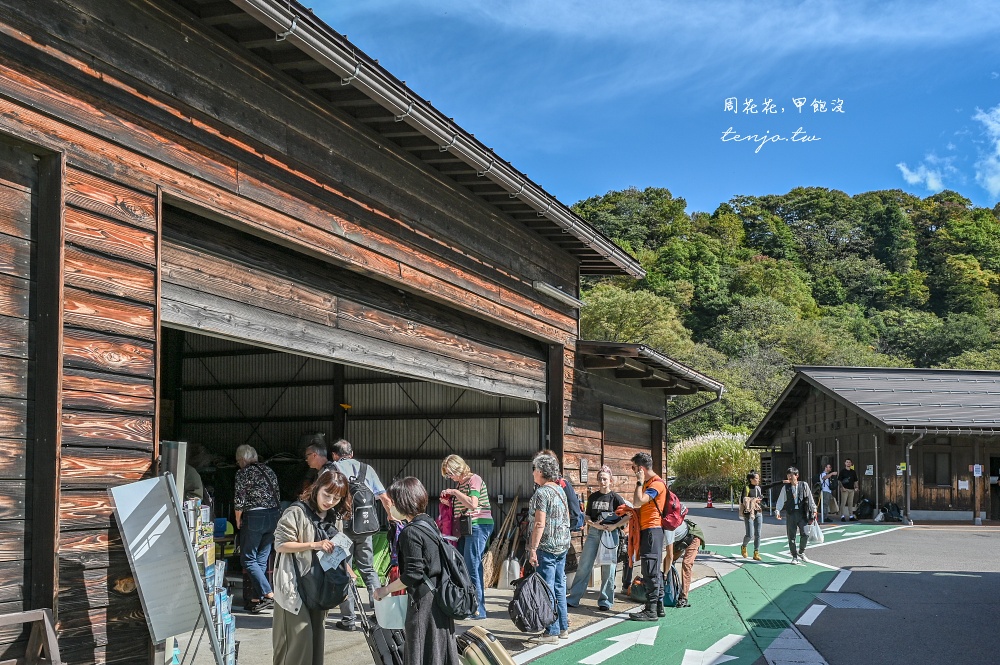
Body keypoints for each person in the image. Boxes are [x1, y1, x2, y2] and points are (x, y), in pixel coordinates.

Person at [373, 478, 461, 665]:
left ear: (404, 503)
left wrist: (385, 590)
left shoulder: (410, 532)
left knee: (419, 649)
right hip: (439, 597)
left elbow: (413, 573)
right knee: (438, 649)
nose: (391, 507)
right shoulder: (429, 524)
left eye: (394, 502)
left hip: (423, 602)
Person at [272, 469, 352, 665]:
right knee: (299, 639)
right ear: (317, 487)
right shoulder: (296, 512)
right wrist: (313, 545)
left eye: (336, 498)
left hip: (319, 587)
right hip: (293, 585)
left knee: (316, 641)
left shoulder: (332, 516)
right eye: (327, 494)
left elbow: (336, 549)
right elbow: (280, 544)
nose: (330, 501)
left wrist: (347, 570)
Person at [329, 438, 392, 631]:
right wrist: (391, 517)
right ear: (352, 453)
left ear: (334, 455)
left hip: (342, 528)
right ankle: (380, 614)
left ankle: (349, 619)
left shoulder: (332, 469)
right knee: (368, 568)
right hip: (364, 528)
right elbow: (384, 497)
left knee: (344, 570)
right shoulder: (367, 469)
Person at [567, 466, 629, 611]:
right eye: (600, 479)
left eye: (605, 479)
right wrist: (591, 523)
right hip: (595, 532)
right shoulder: (593, 497)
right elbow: (587, 515)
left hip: (610, 533)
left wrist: (615, 526)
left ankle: (605, 601)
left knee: (608, 567)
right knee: (584, 564)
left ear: (610, 481)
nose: (602, 481)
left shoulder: (615, 498)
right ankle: (574, 598)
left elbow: (628, 516)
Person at [440, 454, 494, 619]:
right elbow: (463, 505)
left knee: (471, 567)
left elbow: (473, 503)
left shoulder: (474, 480)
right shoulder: (460, 483)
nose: (450, 478)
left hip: (478, 526)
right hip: (466, 529)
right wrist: (448, 502)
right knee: (467, 567)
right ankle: (473, 606)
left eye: (450, 474)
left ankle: (477, 609)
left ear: (458, 469)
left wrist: (455, 492)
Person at [526, 453, 571, 644]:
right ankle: (563, 627)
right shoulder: (560, 490)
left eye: (535, 469)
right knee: (559, 586)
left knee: (547, 587)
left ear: (542, 471)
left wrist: (533, 548)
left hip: (547, 546)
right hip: (562, 544)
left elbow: (539, 523)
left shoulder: (542, 493)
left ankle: (551, 631)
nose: (533, 473)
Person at [234, 444, 281, 613]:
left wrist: (238, 519)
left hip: (255, 517)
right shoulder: (269, 471)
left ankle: (269, 594)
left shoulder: (244, 473)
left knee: (247, 559)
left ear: (242, 459)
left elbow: (239, 499)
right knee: (261, 559)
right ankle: (256, 599)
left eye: (238, 461)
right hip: (273, 517)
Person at [628, 452, 667, 621]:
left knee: (650, 571)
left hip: (652, 530)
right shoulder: (650, 483)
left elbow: (638, 502)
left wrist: (638, 481)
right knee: (652, 570)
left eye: (634, 468)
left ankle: (650, 610)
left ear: (641, 469)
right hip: (649, 530)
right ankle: (658, 606)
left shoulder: (656, 484)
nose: (633, 471)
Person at [775, 466, 817, 565]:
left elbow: (810, 498)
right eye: (788, 476)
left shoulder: (804, 485)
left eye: (791, 475)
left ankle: (801, 552)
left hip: (803, 513)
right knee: (791, 537)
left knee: (805, 534)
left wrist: (814, 509)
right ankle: (794, 556)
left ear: (797, 475)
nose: (789, 477)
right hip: (791, 514)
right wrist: (777, 511)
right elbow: (780, 500)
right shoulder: (786, 488)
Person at [664, 517, 706, 608]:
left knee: (686, 564)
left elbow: (669, 555)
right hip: (680, 540)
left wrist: (665, 574)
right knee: (667, 562)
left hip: (693, 536)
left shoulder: (667, 528)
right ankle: (670, 588)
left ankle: (684, 597)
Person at [740, 471, 764, 560]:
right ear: (751, 479)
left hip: (758, 512)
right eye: (756, 478)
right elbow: (743, 499)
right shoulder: (746, 488)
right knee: (749, 534)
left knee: (758, 534)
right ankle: (744, 546)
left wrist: (759, 499)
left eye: (758, 478)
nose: (758, 480)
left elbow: (762, 495)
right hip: (749, 513)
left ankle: (756, 553)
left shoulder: (758, 488)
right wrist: (753, 500)